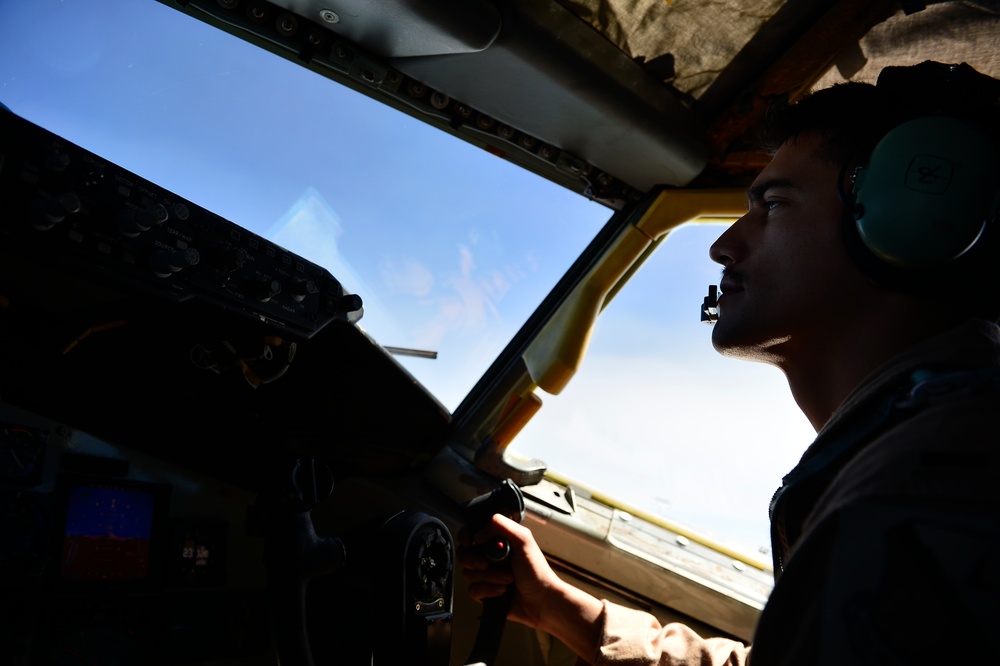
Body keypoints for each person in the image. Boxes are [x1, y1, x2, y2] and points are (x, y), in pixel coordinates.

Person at [459, 60, 1000, 665]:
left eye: (772, 202)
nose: (723, 245)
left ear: (909, 216)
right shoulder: (921, 451)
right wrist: (557, 606)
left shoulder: (938, 485)